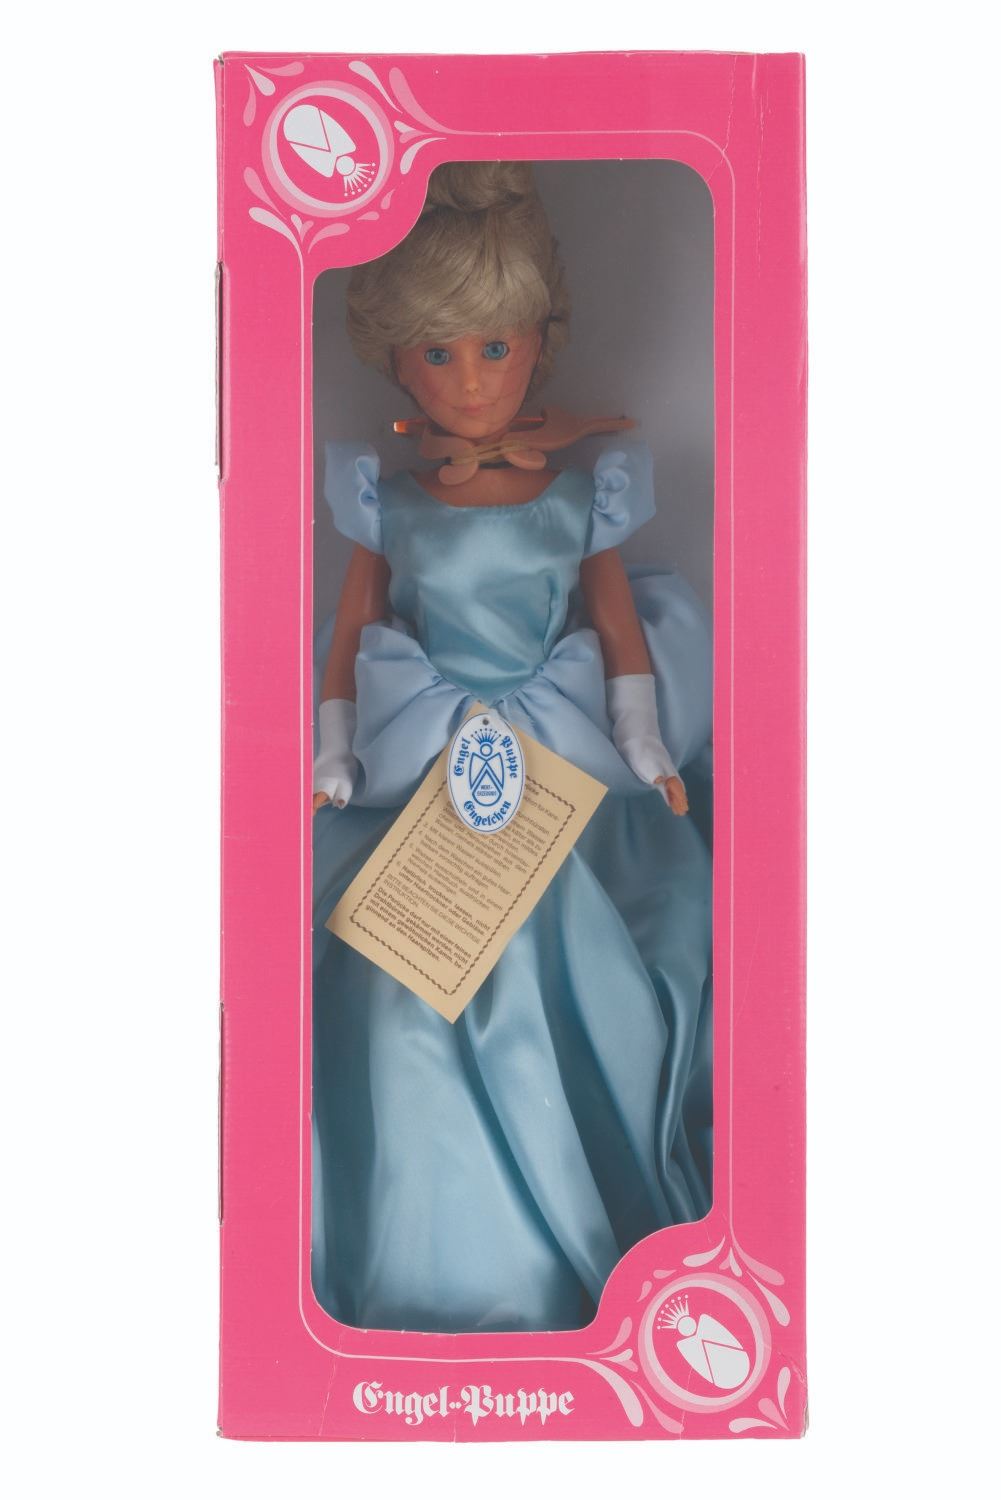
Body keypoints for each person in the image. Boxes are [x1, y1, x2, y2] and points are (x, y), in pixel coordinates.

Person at [311, 162, 712, 1334]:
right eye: (439, 353)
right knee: (398, 997)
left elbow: (619, 638)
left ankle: (569, 1270)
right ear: (396, 362)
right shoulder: (386, 506)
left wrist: (643, 749)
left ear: (541, 343)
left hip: (549, 770)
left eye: (495, 347)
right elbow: (349, 642)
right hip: (421, 770)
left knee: (566, 984)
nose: (472, 379)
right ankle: (417, 1267)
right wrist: (333, 755)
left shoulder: (579, 499)